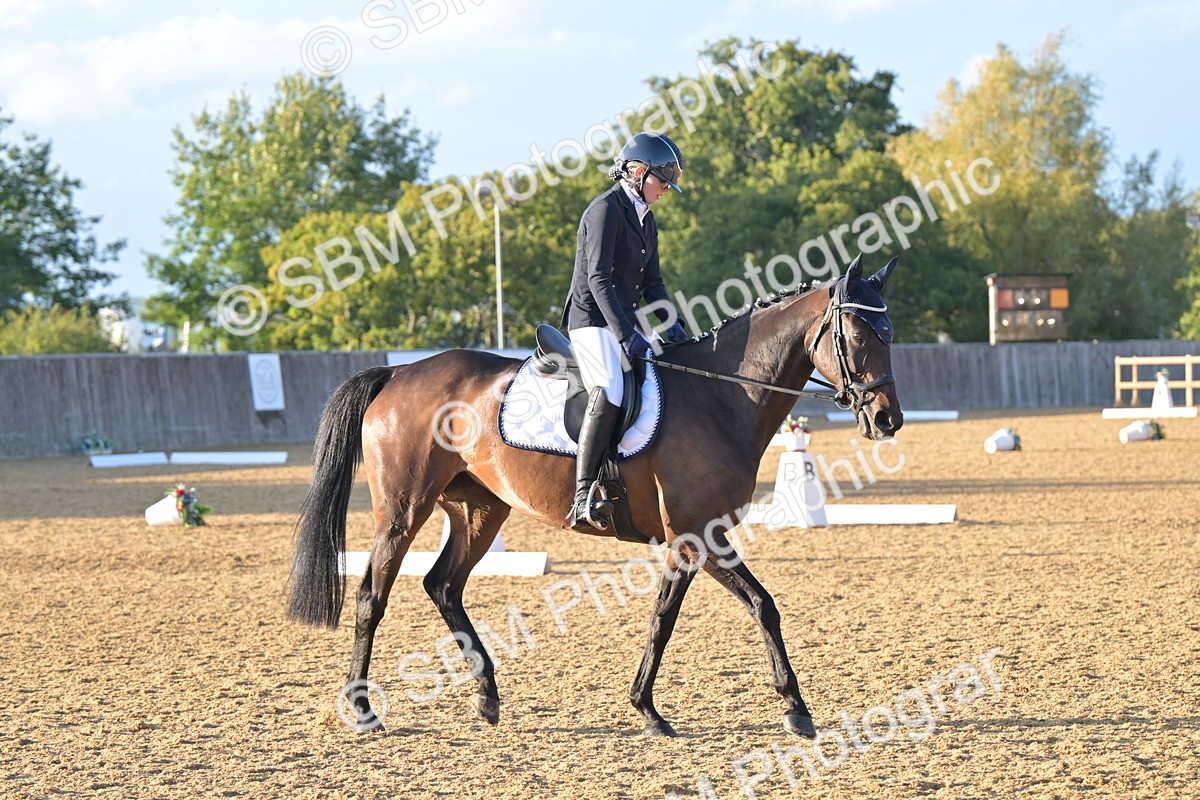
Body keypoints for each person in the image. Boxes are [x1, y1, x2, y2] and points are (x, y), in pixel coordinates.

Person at [560, 131, 690, 531]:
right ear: (635, 171)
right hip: (592, 321)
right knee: (612, 388)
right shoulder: (605, 210)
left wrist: (674, 326)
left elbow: (654, 284)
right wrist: (625, 334)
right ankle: (583, 495)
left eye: (669, 182)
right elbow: (598, 280)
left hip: (623, 321)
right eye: (662, 180)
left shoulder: (646, 220)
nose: (666, 189)